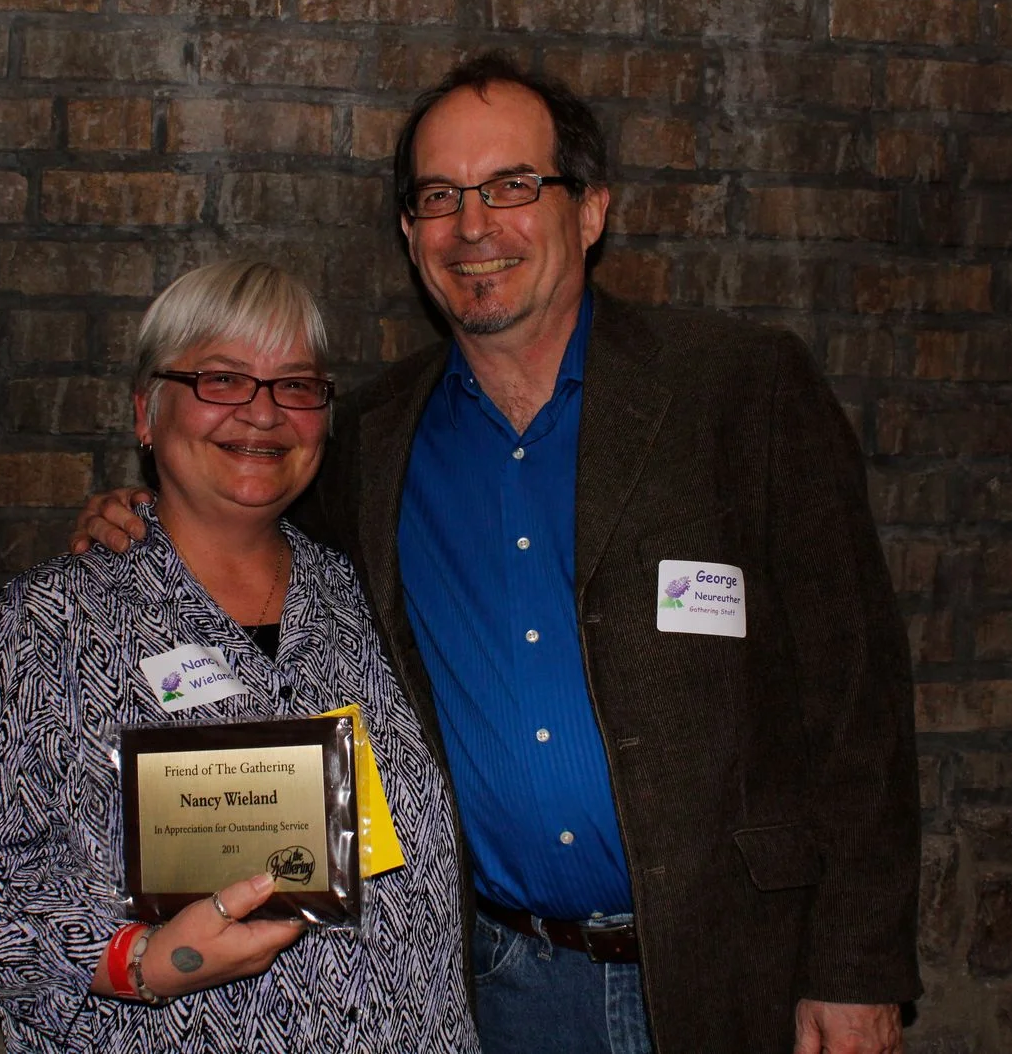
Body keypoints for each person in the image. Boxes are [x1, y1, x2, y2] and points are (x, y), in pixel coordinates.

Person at [72, 55, 921, 1054]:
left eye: (513, 186)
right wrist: (139, 519)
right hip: (501, 982)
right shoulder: (373, 441)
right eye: (440, 196)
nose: (474, 227)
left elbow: (855, 698)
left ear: (591, 209)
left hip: (741, 971)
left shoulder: (739, 392)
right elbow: (242, 508)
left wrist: (855, 966)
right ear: (409, 232)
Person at [0, 260, 478, 1053]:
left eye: (295, 385)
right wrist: (139, 960)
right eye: (221, 379)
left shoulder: (378, 598)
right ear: (146, 415)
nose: (262, 414)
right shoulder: (52, 622)